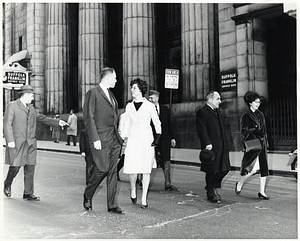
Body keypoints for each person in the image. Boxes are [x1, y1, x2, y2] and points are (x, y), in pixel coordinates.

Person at [3, 85, 68, 201]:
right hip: (18, 142)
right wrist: (10, 140)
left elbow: (42, 118)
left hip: (31, 142)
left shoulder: (31, 108)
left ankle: (28, 193)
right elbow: (7, 123)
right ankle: (7, 183)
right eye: (31, 95)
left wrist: (58, 122)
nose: (32, 98)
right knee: (16, 167)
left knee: (30, 167)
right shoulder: (12, 106)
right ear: (26, 95)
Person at [82, 67, 124, 214]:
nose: (116, 80)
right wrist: (95, 138)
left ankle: (112, 204)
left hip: (114, 139)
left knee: (112, 172)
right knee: (103, 169)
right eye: (115, 77)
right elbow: (88, 117)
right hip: (101, 138)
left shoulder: (111, 95)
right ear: (108, 78)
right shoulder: (92, 93)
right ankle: (88, 194)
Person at [122, 78, 162, 209]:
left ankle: (144, 197)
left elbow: (157, 123)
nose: (132, 90)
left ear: (140, 89)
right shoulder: (129, 106)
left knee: (146, 170)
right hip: (133, 140)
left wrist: (157, 139)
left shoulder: (150, 106)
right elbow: (126, 124)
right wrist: (124, 139)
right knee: (133, 170)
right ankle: (133, 188)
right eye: (131, 88)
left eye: (134, 88)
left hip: (146, 141)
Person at [196, 91, 231, 204]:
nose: (220, 101)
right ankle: (211, 192)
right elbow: (202, 130)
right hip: (211, 146)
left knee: (224, 169)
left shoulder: (217, 111)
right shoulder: (202, 112)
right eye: (218, 99)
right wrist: (207, 143)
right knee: (212, 170)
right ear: (210, 100)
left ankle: (212, 186)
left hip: (222, 145)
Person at [235, 91, 270, 200]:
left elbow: (264, 130)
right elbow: (244, 130)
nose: (258, 104)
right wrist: (255, 131)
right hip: (253, 144)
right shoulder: (246, 115)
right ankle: (240, 183)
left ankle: (262, 192)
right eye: (256, 102)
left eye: (259, 102)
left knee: (263, 168)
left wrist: (265, 141)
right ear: (250, 102)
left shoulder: (260, 114)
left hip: (262, 143)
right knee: (252, 169)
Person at [148, 90, 178, 191]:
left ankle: (168, 183)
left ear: (157, 98)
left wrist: (172, 137)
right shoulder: (147, 109)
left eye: (152, 98)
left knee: (166, 161)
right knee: (149, 160)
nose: (150, 100)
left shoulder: (165, 109)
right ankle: (143, 181)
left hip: (165, 139)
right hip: (152, 139)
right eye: (149, 98)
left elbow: (169, 124)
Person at [116, 99, 132, 181]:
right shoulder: (123, 116)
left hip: (133, 139)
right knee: (124, 157)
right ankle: (116, 171)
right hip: (126, 139)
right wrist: (122, 140)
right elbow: (120, 129)